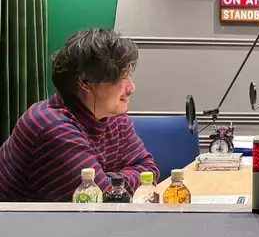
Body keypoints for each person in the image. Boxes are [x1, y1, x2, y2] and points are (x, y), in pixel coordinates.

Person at [0, 28, 159, 202]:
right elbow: (103, 199)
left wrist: (108, 179)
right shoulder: (51, 126)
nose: (131, 88)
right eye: (121, 77)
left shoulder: (115, 118)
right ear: (85, 81)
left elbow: (149, 173)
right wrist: (113, 181)